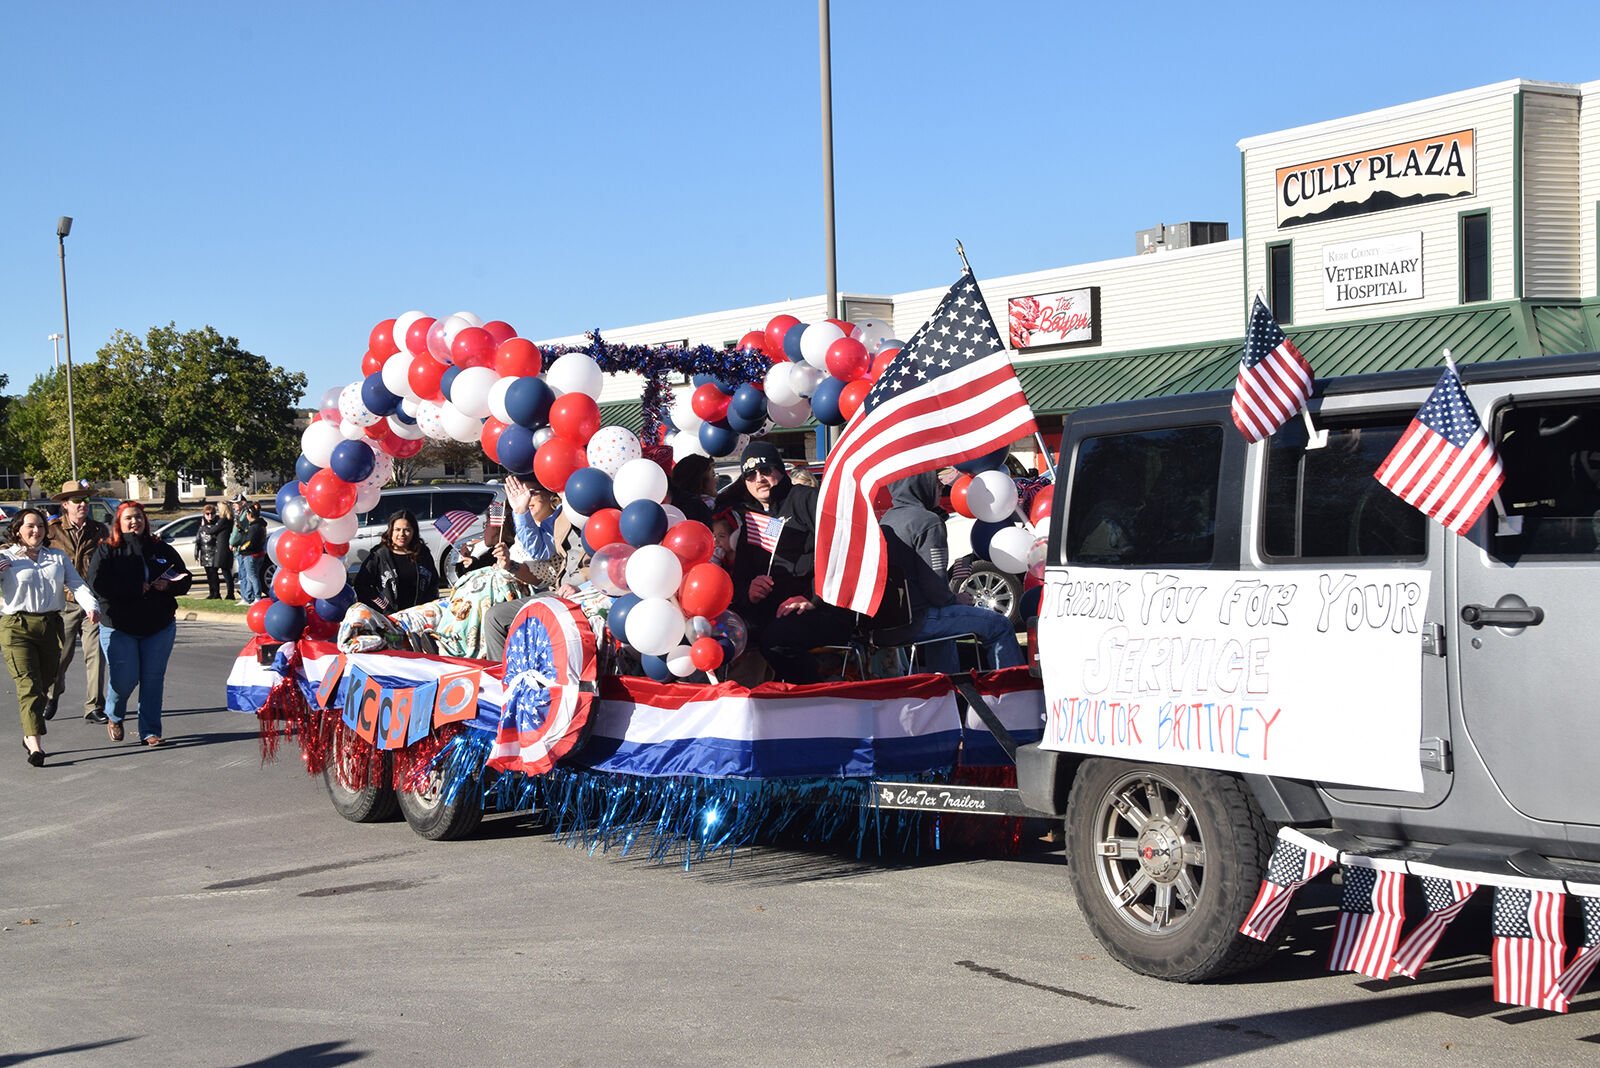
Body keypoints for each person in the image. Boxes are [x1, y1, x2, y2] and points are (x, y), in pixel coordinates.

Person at [723, 441, 854, 683]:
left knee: (775, 639)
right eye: (750, 475)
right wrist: (749, 591)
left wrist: (813, 598)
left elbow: (843, 548)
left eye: (765, 470)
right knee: (727, 635)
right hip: (770, 612)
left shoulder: (806, 499)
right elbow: (739, 579)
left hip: (825, 609)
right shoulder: (753, 519)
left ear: (780, 470)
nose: (759, 478)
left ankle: (816, 692)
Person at [880, 470, 1023, 674]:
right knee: (999, 625)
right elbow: (935, 588)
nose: (940, 485)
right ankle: (1013, 689)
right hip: (918, 621)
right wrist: (955, 599)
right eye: (934, 480)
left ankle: (946, 692)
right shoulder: (927, 522)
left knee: (944, 631)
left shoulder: (887, 519)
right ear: (920, 483)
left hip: (889, 625)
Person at [87, 502, 193, 746]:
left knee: (153, 679)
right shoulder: (108, 550)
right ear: (119, 523)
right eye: (128, 518)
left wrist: (170, 585)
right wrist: (133, 589)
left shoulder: (159, 548)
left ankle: (150, 731)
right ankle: (114, 714)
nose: (134, 522)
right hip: (119, 625)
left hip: (159, 625)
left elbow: (184, 577)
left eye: (138, 517)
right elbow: (97, 583)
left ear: (145, 520)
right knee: (125, 678)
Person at [2, 508, 99, 766]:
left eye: (41, 527)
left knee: (46, 682)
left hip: (50, 624)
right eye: (30, 526)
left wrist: (91, 606)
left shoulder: (56, 557)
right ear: (17, 530)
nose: (36, 531)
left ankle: (29, 730)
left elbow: (76, 583)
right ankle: (35, 744)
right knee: (28, 686)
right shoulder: (6, 557)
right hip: (16, 626)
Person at [481, 475, 580, 661]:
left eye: (532, 493)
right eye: (522, 493)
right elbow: (534, 549)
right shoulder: (541, 521)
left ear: (550, 496)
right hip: (535, 585)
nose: (526, 498)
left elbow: (541, 567)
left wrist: (510, 566)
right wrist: (519, 511)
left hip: (547, 589)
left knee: (487, 602)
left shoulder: (563, 516)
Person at [44, 479, 109, 725]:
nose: (83, 504)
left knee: (96, 655)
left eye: (86, 500)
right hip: (64, 603)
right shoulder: (51, 532)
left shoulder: (98, 530)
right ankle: (52, 694)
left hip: (92, 602)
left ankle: (94, 706)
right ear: (65, 505)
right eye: (77, 500)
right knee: (62, 655)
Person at [353, 510, 440, 612]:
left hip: (418, 616)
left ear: (413, 531)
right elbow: (362, 585)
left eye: (407, 530)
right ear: (391, 531)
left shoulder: (423, 553)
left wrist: (428, 607)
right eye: (397, 529)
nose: (401, 534)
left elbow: (433, 583)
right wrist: (383, 606)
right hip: (389, 618)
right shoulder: (379, 554)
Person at [195, 500, 235, 600]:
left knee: (225, 573)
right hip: (213, 551)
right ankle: (221, 593)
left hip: (220, 549)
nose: (210, 515)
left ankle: (229, 594)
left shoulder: (223, 520)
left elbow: (212, 531)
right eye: (207, 514)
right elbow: (198, 541)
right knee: (222, 573)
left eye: (213, 512)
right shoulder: (226, 520)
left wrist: (203, 526)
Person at [232, 500, 268, 603]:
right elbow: (249, 536)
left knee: (253, 576)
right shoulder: (258, 525)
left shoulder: (254, 527)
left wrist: (242, 548)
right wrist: (242, 530)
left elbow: (250, 541)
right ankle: (248, 597)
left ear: (249, 515)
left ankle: (257, 597)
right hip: (257, 553)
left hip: (251, 554)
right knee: (250, 576)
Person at [667, 454, 716, 526]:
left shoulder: (671, 508)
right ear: (701, 480)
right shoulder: (705, 509)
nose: (716, 480)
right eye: (713, 475)